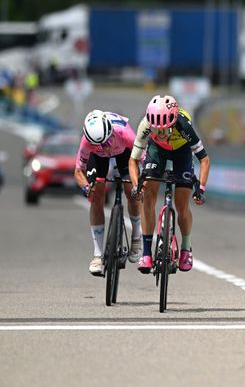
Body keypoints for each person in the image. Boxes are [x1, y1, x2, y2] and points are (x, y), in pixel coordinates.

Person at [128, 95, 210, 274]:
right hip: (157, 151)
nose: (161, 133)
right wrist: (136, 185)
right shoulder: (146, 125)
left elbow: (204, 159)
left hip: (182, 153)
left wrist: (201, 189)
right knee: (147, 193)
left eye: (165, 129)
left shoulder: (184, 125)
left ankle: (186, 249)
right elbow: (133, 160)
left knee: (182, 204)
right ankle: (147, 253)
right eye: (157, 129)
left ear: (173, 122)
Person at [73, 110, 143, 276]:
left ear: (110, 131)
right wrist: (86, 188)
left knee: (132, 190)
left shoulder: (124, 133)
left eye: (106, 141)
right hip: (98, 158)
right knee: (96, 195)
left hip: (124, 152)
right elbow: (78, 171)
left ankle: (136, 236)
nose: (106, 146)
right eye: (100, 144)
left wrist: (140, 184)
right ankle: (97, 255)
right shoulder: (87, 142)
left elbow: (142, 160)